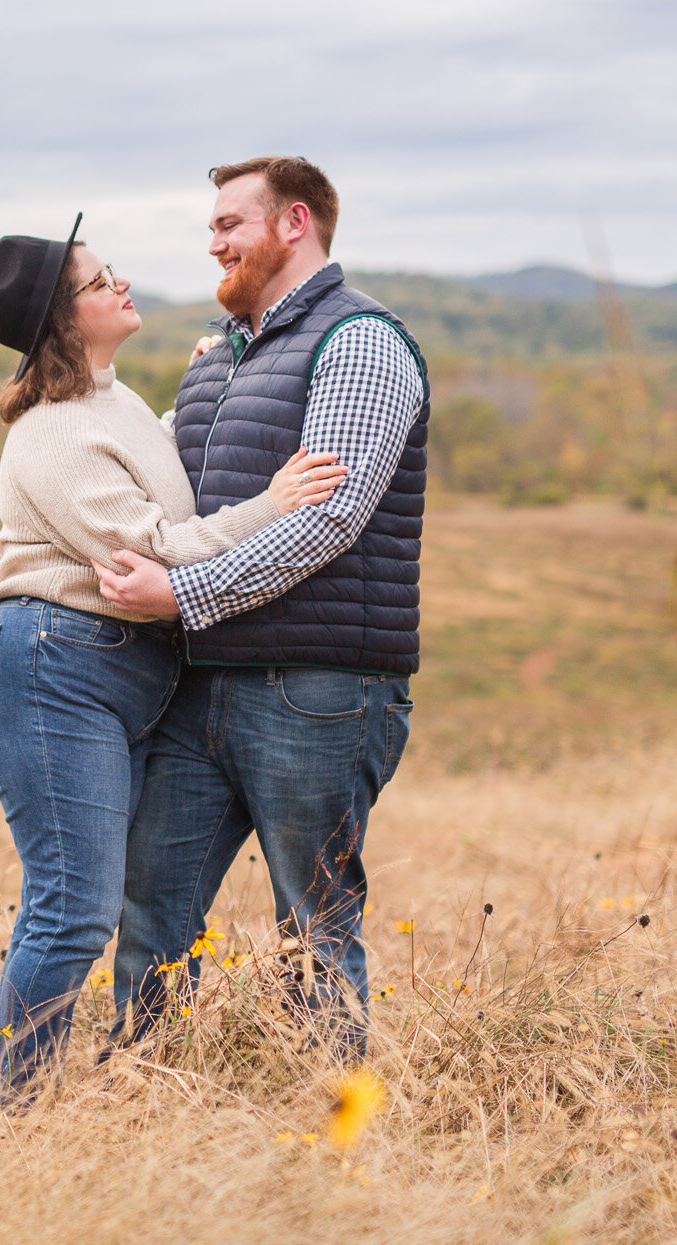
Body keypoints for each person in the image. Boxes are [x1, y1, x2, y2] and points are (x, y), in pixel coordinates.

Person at [0, 214, 347, 1102]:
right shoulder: (54, 432)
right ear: (63, 322)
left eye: (112, 272)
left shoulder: (113, 403)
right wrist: (277, 501)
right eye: (100, 283)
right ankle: (7, 1110)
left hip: (115, 671)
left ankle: (103, 1087)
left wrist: (222, 369)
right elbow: (161, 546)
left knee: (93, 900)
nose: (121, 286)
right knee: (73, 906)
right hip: (56, 666)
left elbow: (173, 455)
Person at [92, 157, 430, 1059]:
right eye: (211, 226)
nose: (214, 241)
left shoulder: (360, 343)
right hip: (198, 686)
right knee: (151, 903)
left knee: (312, 927)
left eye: (231, 223)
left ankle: (335, 1130)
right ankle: (139, 1102)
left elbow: (330, 517)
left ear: (293, 224)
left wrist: (180, 594)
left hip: (316, 690)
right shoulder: (220, 355)